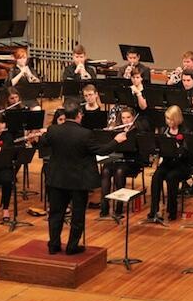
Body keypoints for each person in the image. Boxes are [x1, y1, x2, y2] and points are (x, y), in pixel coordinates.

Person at [37, 100, 127, 254]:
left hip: (57, 178)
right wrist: (116, 141)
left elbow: (44, 142)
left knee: (56, 214)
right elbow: (102, 151)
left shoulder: (53, 130)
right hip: (78, 181)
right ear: (79, 115)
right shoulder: (85, 134)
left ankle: (53, 245)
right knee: (77, 215)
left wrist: (42, 134)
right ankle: (72, 247)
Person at [100, 107, 148, 217]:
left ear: (133, 118)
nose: (126, 120)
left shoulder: (138, 130)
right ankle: (104, 207)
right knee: (106, 170)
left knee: (120, 171)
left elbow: (141, 149)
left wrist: (129, 135)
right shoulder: (117, 130)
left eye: (128, 117)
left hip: (132, 161)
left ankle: (119, 208)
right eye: (123, 118)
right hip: (117, 159)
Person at [148, 105, 193, 221]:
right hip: (168, 162)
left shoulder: (186, 131)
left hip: (181, 165)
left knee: (171, 177)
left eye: (171, 119)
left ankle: (172, 211)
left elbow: (188, 153)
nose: (168, 122)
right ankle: (154, 210)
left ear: (177, 119)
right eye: (167, 119)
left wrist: (179, 148)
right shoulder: (164, 130)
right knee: (156, 176)